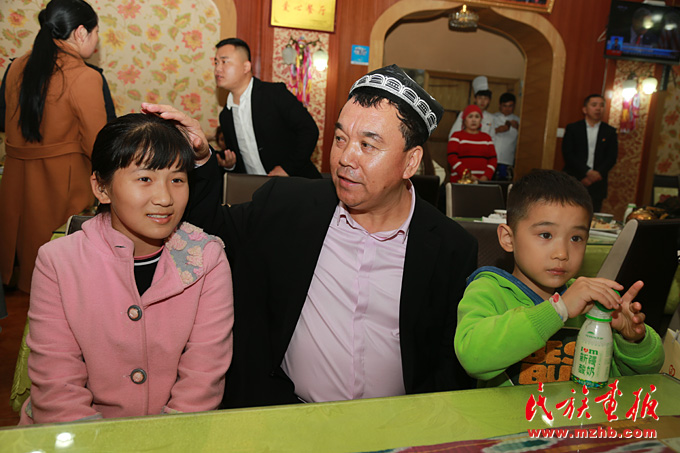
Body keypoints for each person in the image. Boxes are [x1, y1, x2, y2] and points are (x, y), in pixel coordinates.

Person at [143, 63, 478, 409]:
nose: (346, 158)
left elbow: (449, 366)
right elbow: (209, 227)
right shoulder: (289, 206)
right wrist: (200, 158)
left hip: (399, 424)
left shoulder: (451, 248)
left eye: (368, 145)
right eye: (341, 139)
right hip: (285, 415)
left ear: (411, 162)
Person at [19, 113, 234, 424]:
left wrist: (171, 440)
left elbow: (203, 375)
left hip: (180, 433)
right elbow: (57, 383)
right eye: (145, 179)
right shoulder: (59, 261)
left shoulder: (207, 258)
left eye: (177, 179)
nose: (165, 198)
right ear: (102, 188)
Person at [454, 170, 664, 387]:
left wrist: (633, 340)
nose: (562, 253)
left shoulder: (589, 302)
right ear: (508, 238)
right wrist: (558, 309)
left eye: (576, 238)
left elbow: (645, 373)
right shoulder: (488, 291)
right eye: (546, 235)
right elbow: (473, 357)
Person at [0, 0, 108, 293]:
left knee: (25, 249)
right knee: (57, 270)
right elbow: (98, 144)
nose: (96, 40)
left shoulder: (16, 66)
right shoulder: (85, 76)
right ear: (81, 33)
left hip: (16, 177)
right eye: (97, 33)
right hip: (61, 181)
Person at [213, 37, 321, 178]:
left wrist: (287, 168)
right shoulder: (226, 115)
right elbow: (240, 161)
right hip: (256, 188)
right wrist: (230, 165)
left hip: (296, 183)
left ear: (246, 67)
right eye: (216, 62)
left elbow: (309, 130)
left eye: (224, 62)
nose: (217, 69)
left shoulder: (274, 94)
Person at [561, 94, 618, 212]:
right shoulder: (573, 128)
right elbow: (568, 154)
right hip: (575, 179)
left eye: (601, 105)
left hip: (597, 182)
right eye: (594, 105)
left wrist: (595, 175)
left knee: (593, 214)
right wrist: (586, 173)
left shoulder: (609, 131)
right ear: (585, 109)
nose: (598, 108)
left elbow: (611, 157)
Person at [447, 104, 497, 183]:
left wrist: (486, 176)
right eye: (470, 116)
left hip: (482, 182)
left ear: (481, 120)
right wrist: (467, 174)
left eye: (477, 117)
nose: (474, 120)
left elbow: (493, 159)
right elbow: (452, 158)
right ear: (464, 120)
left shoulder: (487, 138)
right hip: (460, 181)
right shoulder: (456, 136)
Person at [492, 93, 520, 181]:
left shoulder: (518, 121)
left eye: (510, 106)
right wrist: (497, 130)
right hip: (492, 158)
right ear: (499, 105)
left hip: (508, 160)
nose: (507, 109)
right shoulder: (492, 118)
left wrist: (518, 128)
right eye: (505, 106)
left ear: (514, 106)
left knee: (505, 183)